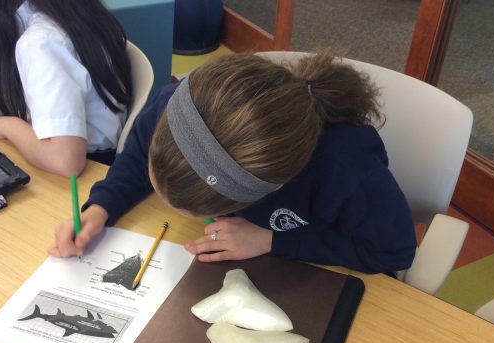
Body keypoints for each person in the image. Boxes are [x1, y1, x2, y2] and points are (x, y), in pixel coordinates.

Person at [49, 52, 417, 275]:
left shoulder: (346, 171)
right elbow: (143, 145)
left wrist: (271, 239)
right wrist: (102, 206)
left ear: (274, 189)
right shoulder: (183, 101)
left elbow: (392, 251)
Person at [0, 0, 132, 176]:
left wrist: (6, 125)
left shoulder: (40, 42)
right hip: (100, 159)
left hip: (82, 172)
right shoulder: (75, 12)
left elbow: (66, 161)